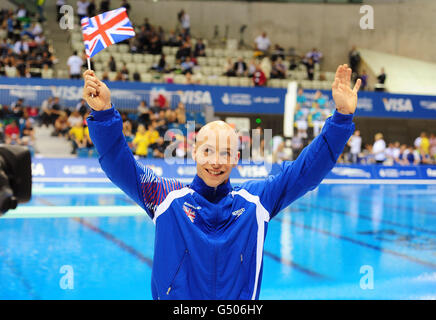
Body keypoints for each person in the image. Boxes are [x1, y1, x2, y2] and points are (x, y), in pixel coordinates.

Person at [82, 64, 361, 300]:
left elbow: (306, 172)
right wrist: (104, 113)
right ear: (194, 152)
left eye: (225, 153)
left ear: (237, 158)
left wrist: (341, 119)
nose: (216, 161)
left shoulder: (256, 201)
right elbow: (118, 164)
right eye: (208, 151)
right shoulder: (165, 197)